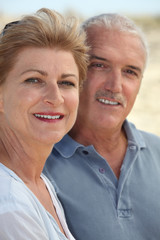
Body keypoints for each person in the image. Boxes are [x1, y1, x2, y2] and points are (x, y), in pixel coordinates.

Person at [44, 13, 160, 240]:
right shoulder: (36, 163)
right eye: (99, 65)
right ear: (73, 72)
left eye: (130, 72)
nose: (115, 85)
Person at [0, 7, 89, 240]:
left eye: (66, 82)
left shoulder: (37, 182)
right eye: (34, 80)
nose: (55, 97)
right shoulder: (10, 206)